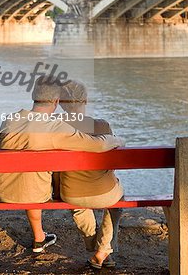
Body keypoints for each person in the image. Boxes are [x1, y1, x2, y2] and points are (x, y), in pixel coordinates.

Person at [0, 75, 123, 253]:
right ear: (55, 101)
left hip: (3, 190)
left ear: (33, 96)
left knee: (29, 174)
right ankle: (100, 247)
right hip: (35, 194)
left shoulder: (10, 119)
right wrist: (117, 140)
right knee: (35, 179)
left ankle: (39, 238)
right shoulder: (54, 127)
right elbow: (98, 145)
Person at [59, 80, 124, 269]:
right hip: (104, 193)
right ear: (85, 100)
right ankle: (103, 250)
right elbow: (112, 163)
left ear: (62, 104)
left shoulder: (56, 129)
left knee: (79, 207)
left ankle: (96, 249)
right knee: (117, 204)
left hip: (70, 193)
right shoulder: (102, 126)